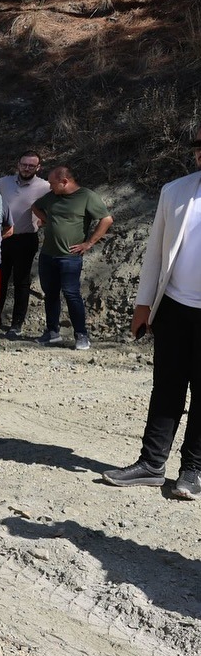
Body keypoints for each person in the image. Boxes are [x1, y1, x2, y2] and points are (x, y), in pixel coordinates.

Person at [101, 126, 201, 499]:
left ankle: (193, 470)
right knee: (167, 388)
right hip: (173, 306)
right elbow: (156, 253)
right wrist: (143, 305)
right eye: (197, 147)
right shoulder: (175, 191)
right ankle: (151, 463)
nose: (200, 153)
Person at [31, 166, 113, 350]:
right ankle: (52, 332)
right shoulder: (52, 196)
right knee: (50, 294)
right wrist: (48, 220)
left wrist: (89, 243)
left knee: (71, 293)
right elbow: (35, 206)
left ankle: (81, 335)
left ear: (64, 182)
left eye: (52, 183)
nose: (50, 187)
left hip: (70, 257)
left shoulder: (87, 197)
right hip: (48, 254)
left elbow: (106, 219)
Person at [0, 151, 51, 338]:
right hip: (3, 238)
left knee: (21, 282)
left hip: (26, 239)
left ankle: (16, 324)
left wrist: (44, 221)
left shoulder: (45, 187)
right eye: (24, 164)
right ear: (18, 164)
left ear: (38, 168)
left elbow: (54, 208)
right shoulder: (2, 183)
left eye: (31, 166)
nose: (27, 168)